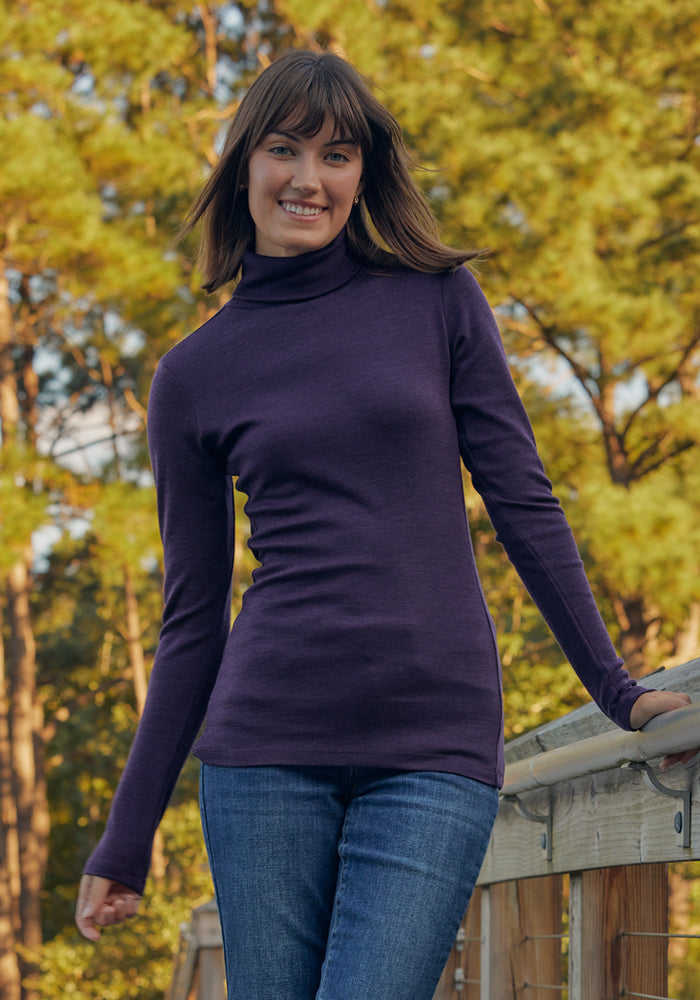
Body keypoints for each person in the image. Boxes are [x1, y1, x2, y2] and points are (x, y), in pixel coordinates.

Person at [75, 49, 695, 999]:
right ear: (244, 165)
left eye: (337, 155)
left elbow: (523, 500)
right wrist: (127, 838)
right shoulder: (191, 375)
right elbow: (193, 619)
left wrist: (618, 690)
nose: (309, 180)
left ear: (365, 174)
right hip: (264, 752)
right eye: (285, 150)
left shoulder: (435, 298)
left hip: (433, 742)